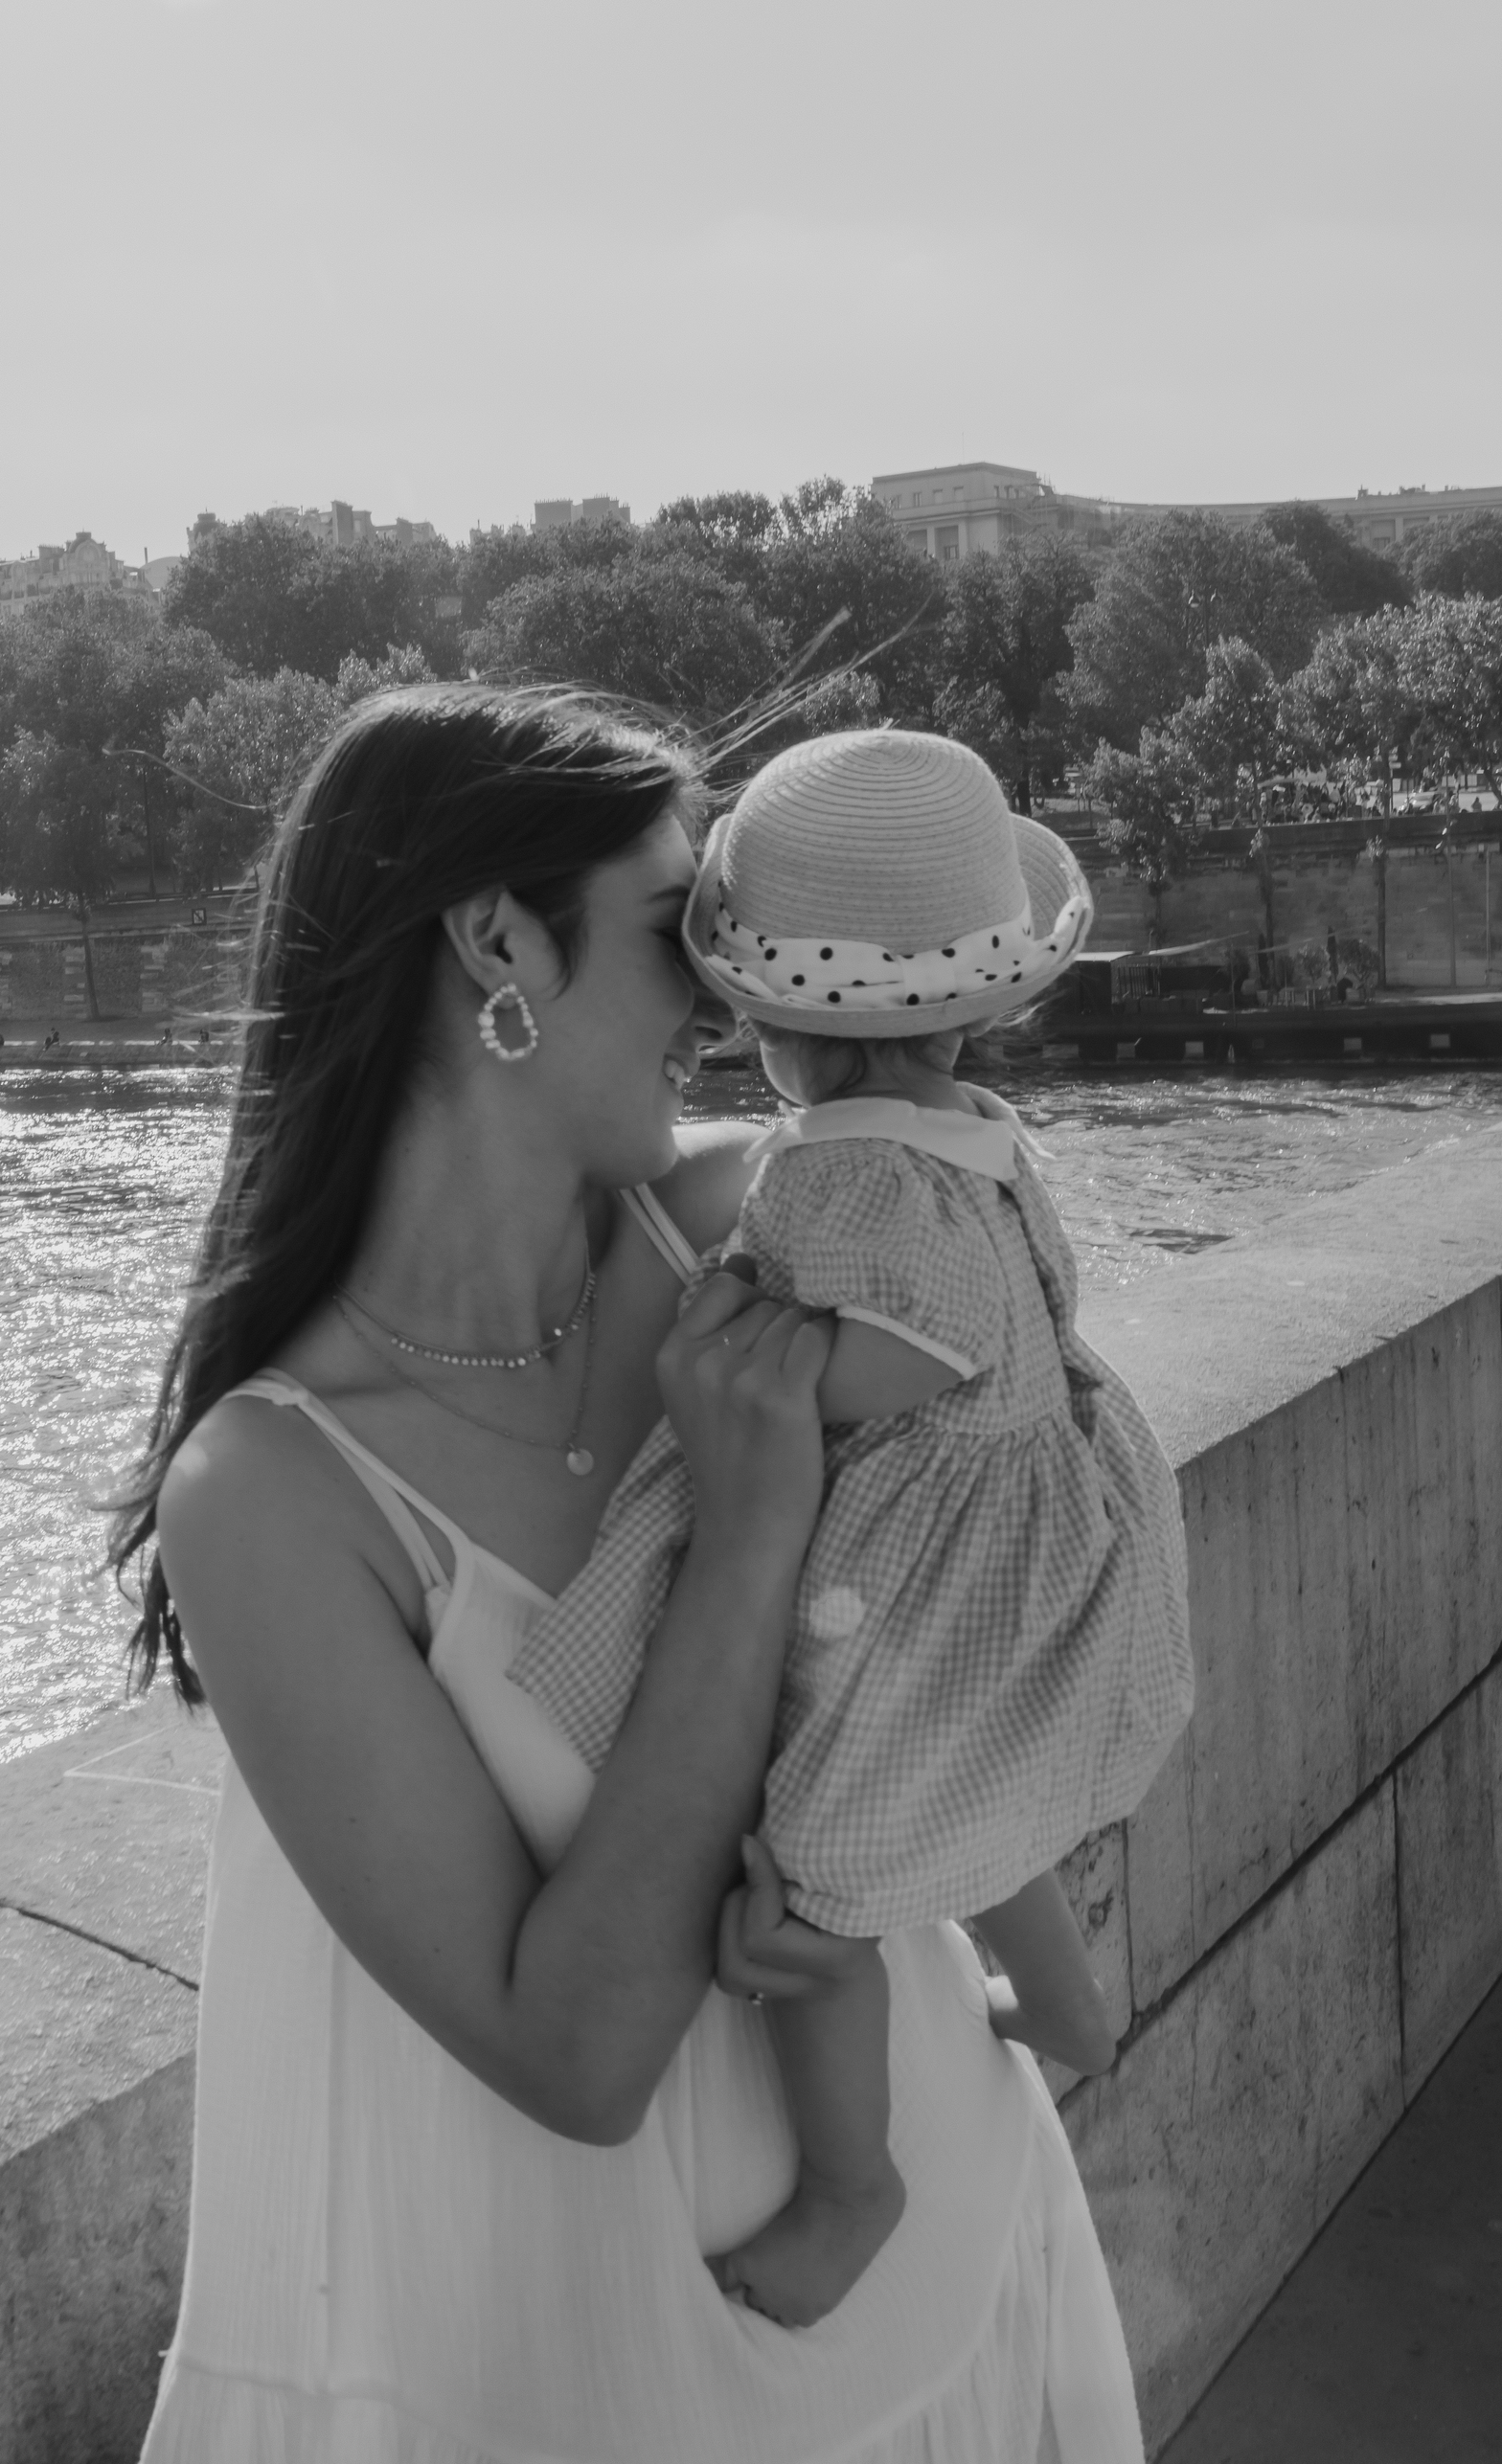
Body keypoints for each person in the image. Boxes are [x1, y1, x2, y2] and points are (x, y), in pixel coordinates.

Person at [117, 684, 1146, 2464]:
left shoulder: (781, 1219)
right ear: (497, 940)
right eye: (688, 930)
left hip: (964, 2273)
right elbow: (577, 2056)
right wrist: (746, 1532)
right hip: (617, 2390)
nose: (741, 992)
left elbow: (987, 1545)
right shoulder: (271, 1495)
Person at [512, 729, 1195, 2329]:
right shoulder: (979, 1133)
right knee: (990, 1780)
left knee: (819, 1870)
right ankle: (1072, 2004)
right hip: (1038, 1520)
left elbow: (906, 1348)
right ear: (990, 997)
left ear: (761, 1020)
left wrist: (761, 1348)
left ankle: (849, 2188)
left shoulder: (836, 1176)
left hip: (928, 1566)